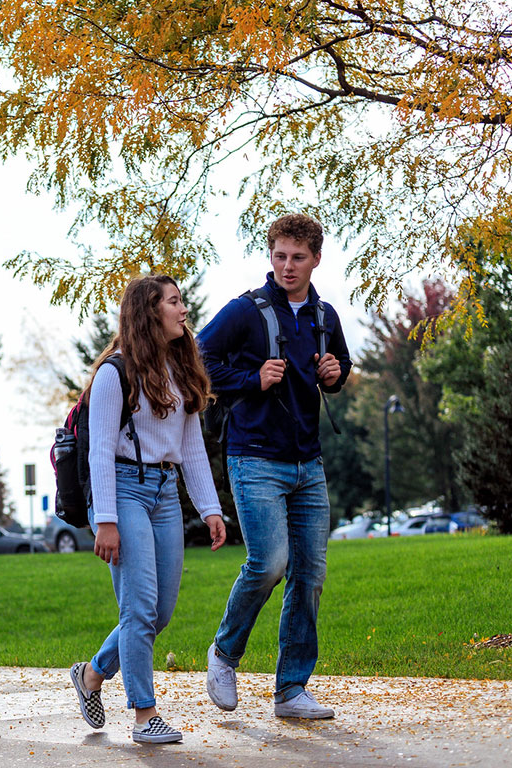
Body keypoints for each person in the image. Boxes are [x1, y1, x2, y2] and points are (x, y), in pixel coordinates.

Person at [196, 213, 352, 719]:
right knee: (269, 563)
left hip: (309, 462)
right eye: (280, 256)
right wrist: (250, 378)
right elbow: (199, 358)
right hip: (255, 456)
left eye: (298, 258)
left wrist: (335, 373)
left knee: (310, 575)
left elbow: (339, 369)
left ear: (316, 259)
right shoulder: (246, 311)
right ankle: (224, 654)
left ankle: (290, 690)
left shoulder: (325, 317)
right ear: (271, 256)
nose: (288, 266)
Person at [69, 274, 227, 745]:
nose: (183, 310)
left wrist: (211, 508)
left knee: (158, 614)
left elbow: (192, 449)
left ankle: (93, 675)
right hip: (123, 490)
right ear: (149, 312)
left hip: (164, 493)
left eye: (181, 301)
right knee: (138, 610)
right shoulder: (114, 374)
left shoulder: (180, 370)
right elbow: (99, 452)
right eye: (174, 302)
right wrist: (107, 521)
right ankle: (144, 714)